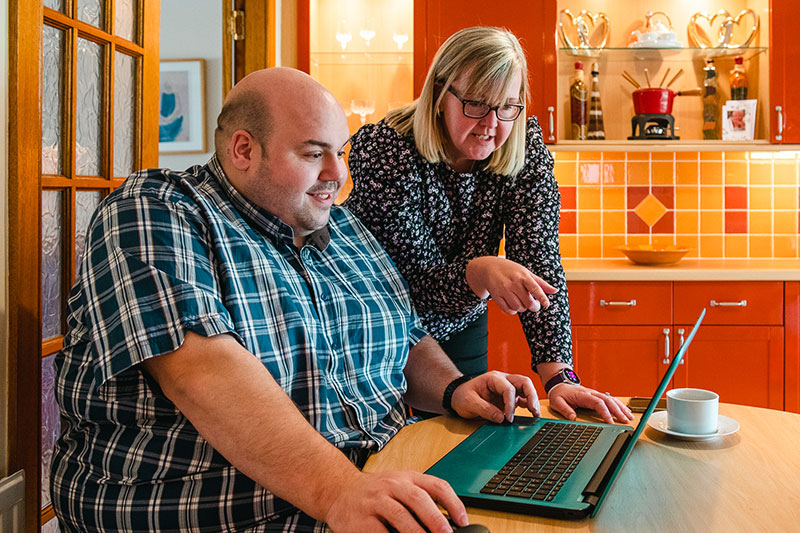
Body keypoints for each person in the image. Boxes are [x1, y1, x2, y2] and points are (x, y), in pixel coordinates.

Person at [50, 67, 540, 533]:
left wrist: (455, 389)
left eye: (341, 152)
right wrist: (341, 490)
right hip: (239, 512)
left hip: (372, 488)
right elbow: (203, 374)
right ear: (244, 149)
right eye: (313, 154)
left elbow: (405, 335)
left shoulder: (343, 228)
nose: (337, 173)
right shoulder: (158, 211)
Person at [344, 26, 633, 424]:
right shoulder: (386, 149)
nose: (491, 124)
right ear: (440, 93)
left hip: (460, 323)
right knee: (391, 441)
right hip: (380, 325)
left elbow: (539, 262)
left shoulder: (523, 148)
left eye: (508, 106)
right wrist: (479, 272)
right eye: (476, 104)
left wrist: (559, 378)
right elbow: (413, 282)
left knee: (465, 437)